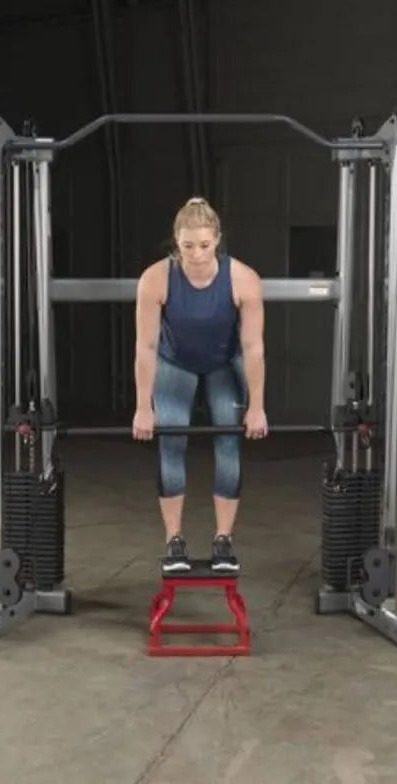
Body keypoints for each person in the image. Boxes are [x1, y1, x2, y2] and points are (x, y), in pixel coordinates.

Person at [132, 196, 268, 573]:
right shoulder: (155, 279)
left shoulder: (243, 279)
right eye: (188, 246)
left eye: (205, 245)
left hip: (224, 364)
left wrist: (257, 405)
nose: (196, 254)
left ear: (218, 240)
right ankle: (174, 540)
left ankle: (223, 540)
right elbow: (145, 346)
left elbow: (254, 347)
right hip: (175, 364)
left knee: (228, 440)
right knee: (171, 438)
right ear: (176, 241)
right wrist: (144, 406)